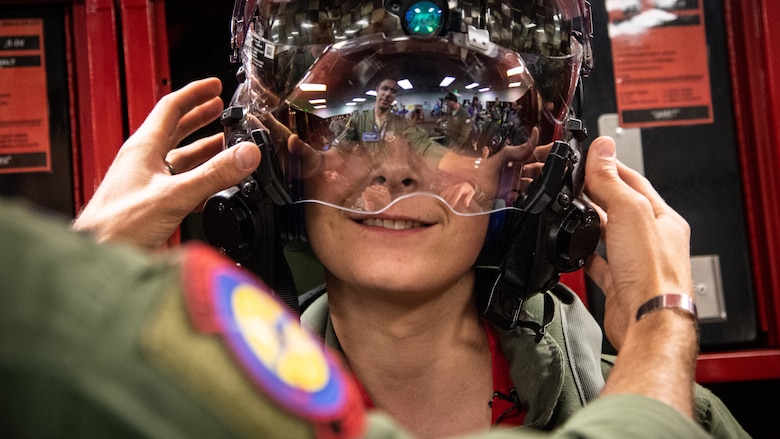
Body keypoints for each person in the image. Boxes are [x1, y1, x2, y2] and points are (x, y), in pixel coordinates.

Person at [76, 0, 750, 438]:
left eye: (452, 126)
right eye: (350, 122)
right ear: (283, 164)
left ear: (528, 170)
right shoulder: (182, 415)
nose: (395, 168)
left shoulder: (690, 419)